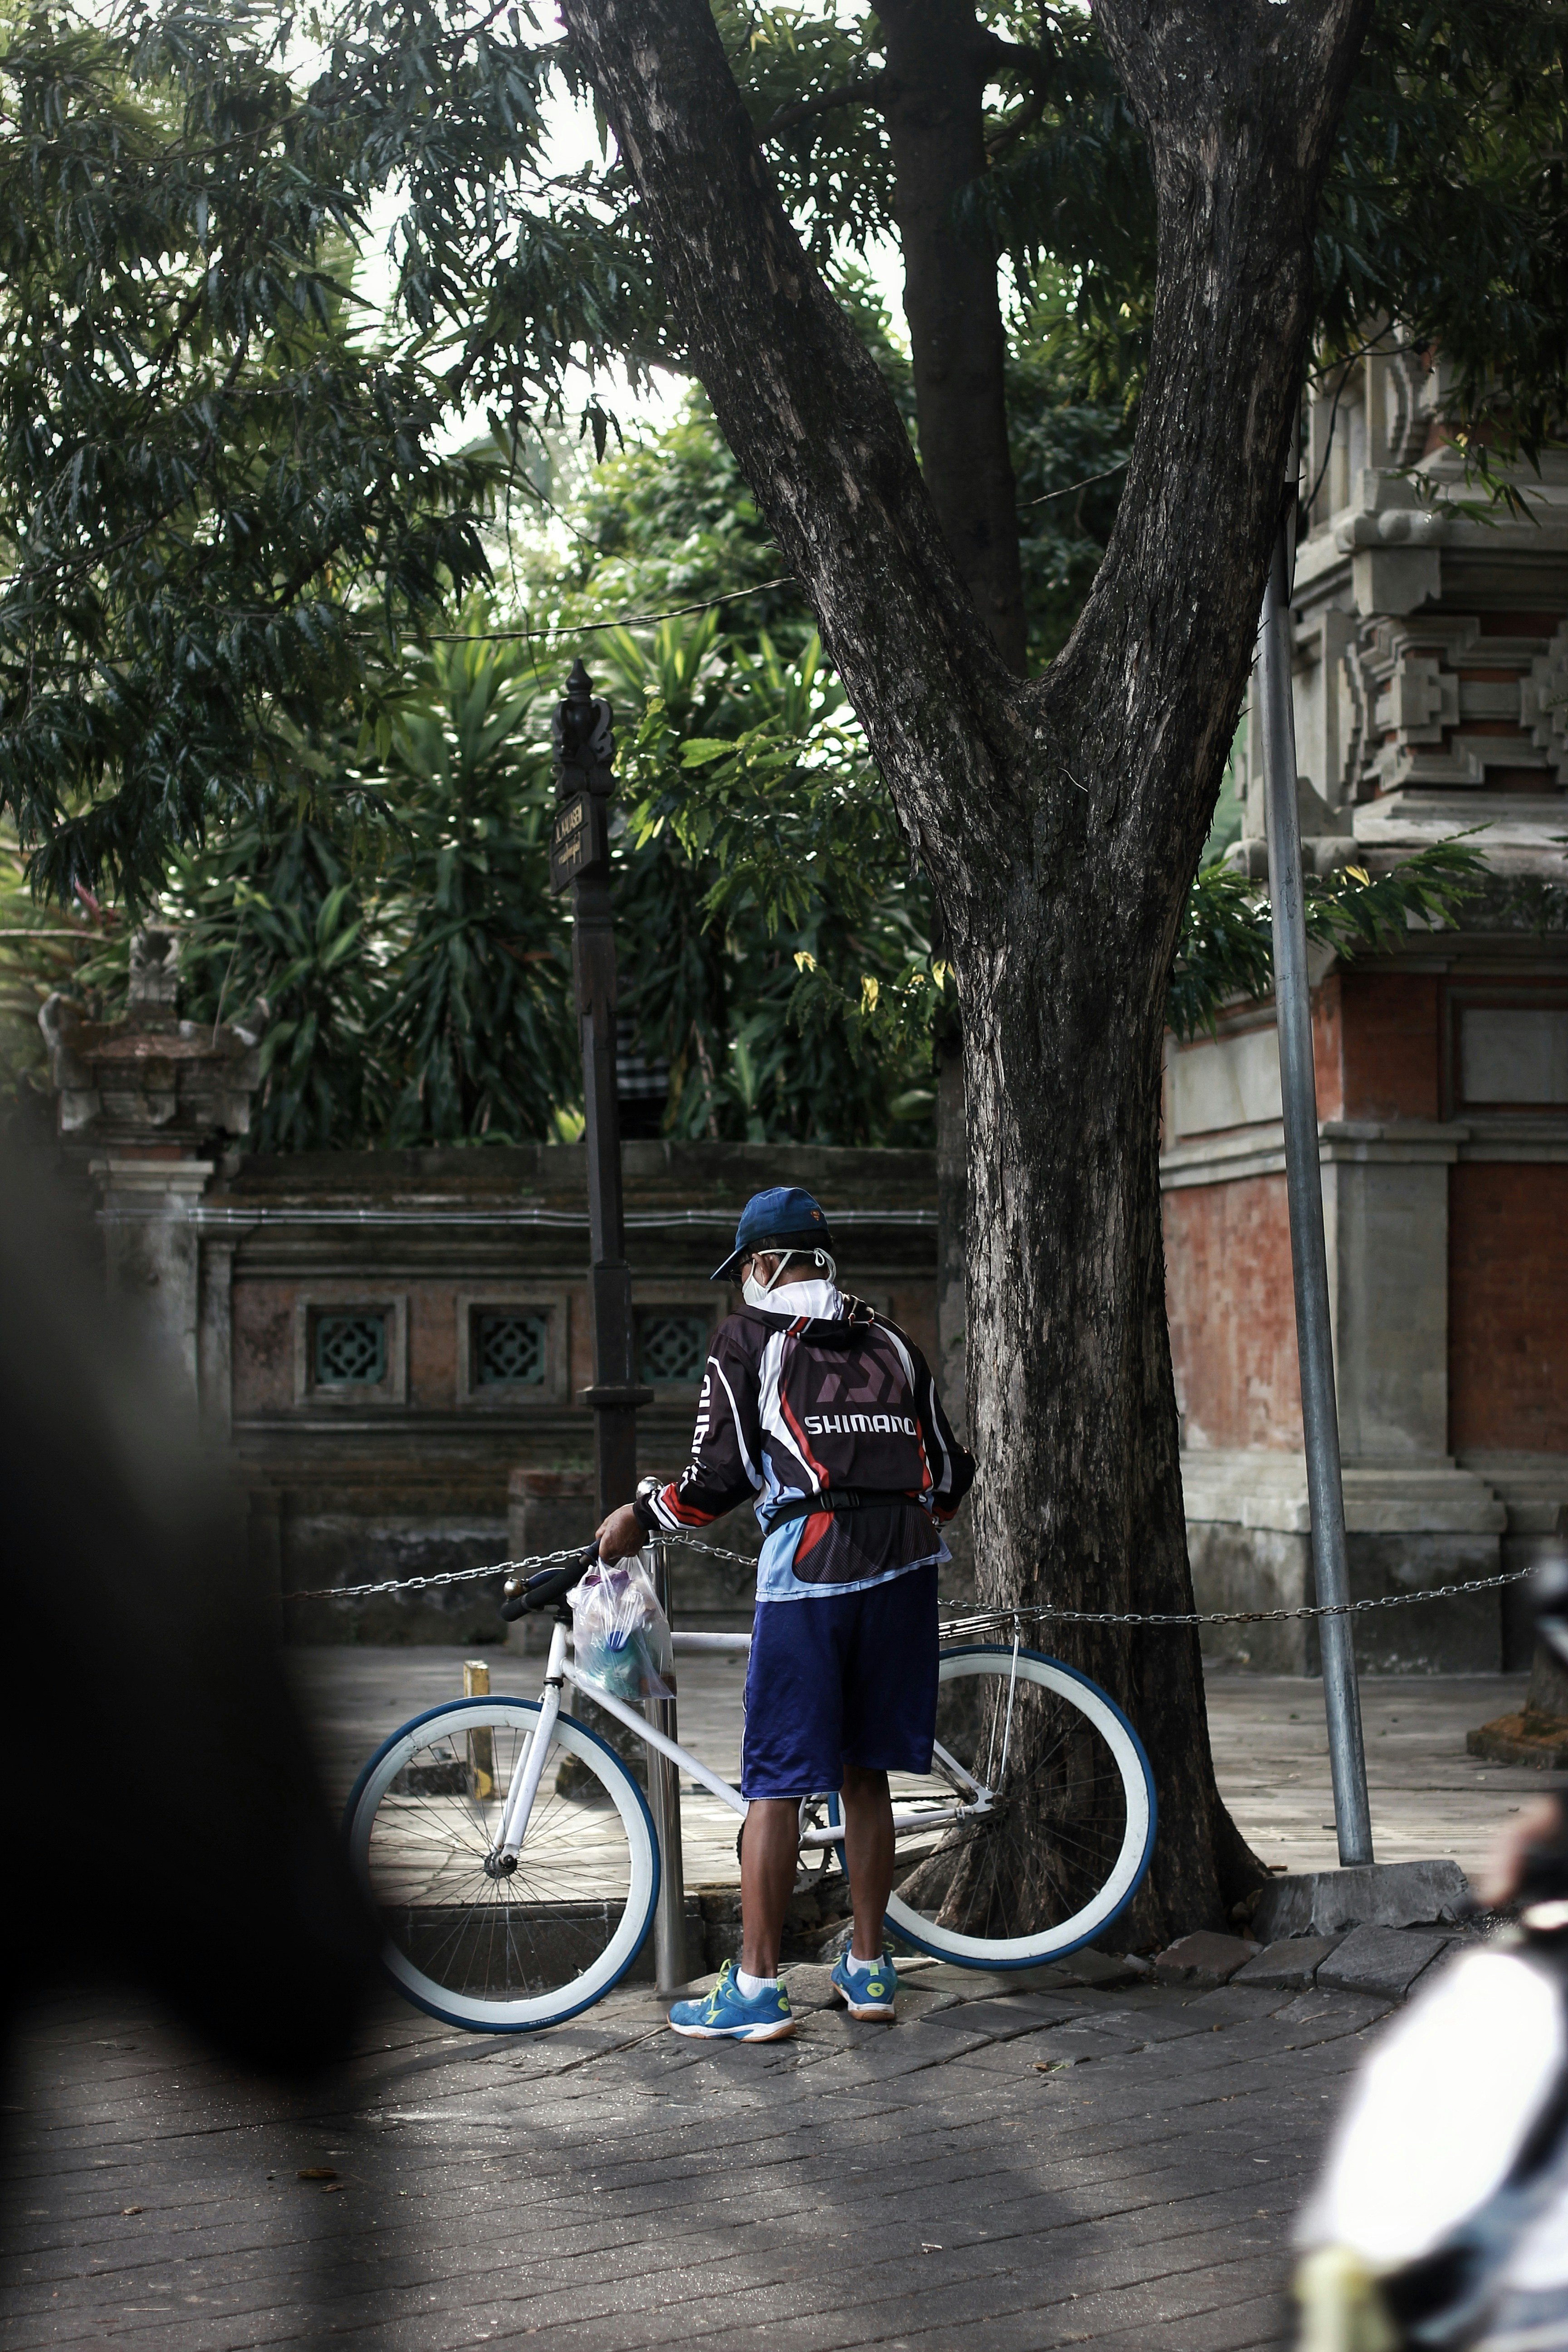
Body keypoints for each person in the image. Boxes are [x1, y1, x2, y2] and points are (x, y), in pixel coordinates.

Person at [595, 1185, 975, 2043]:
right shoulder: (894, 1341)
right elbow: (950, 1474)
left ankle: (759, 1988)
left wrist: (640, 1515)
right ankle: (872, 1970)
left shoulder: (748, 1339)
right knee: (864, 1771)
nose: (743, 1289)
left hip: (808, 1573)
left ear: (764, 1267)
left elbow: (715, 1480)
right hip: (910, 1566)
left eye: (745, 1273)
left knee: (775, 1783)